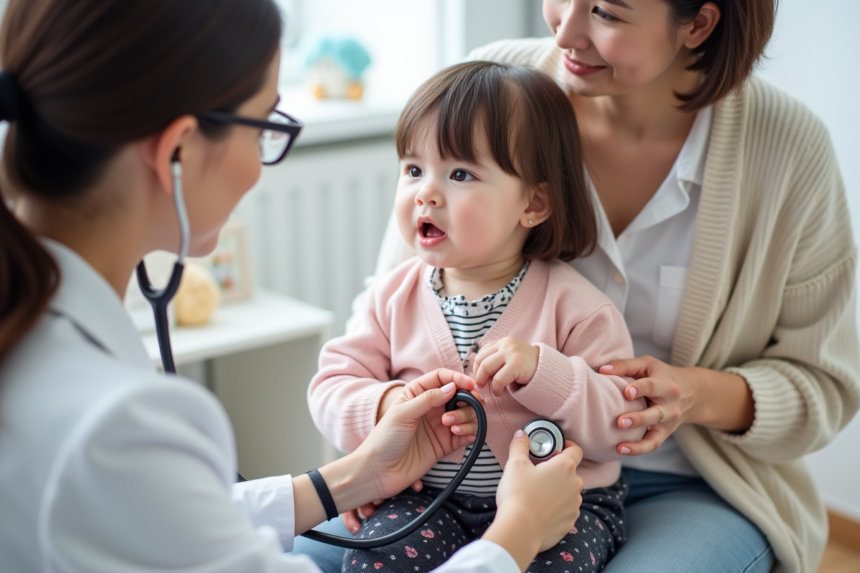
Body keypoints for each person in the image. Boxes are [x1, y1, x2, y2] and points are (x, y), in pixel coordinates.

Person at [0, 1, 588, 572]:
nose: (260, 164)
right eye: (263, 127)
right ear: (178, 152)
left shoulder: (47, 351)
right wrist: (517, 533)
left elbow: (143, 516)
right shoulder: (114, 422)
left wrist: (353, 478)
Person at [294, 1, 860, 572]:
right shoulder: (487, 96)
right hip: (440, 485)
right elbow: (374, 344)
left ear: (699, 23)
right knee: (305, 557)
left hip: (688, 482)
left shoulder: (787, 150)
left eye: (606, 13)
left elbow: (825, 387)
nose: (564, 30)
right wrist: (375, 450)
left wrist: (693, 395)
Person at [306, 61, 646, 573]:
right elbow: (330, 386)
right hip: (425, 500)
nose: (426, 192)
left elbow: (621, 424)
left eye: (460, 174)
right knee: (373, 564)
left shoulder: (577, 306)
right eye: (413, 169)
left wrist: (543, 372)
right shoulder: (391, 297)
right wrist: (386, 403)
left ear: (532, 203)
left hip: (560, 507)